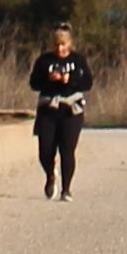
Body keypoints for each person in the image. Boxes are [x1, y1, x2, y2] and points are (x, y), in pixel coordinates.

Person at [25, 25, 94, 200]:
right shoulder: (44, 61)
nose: (59, 48)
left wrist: (69, 80)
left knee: (67, 150)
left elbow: (87, 83)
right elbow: (34, 83)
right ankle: (50, 175)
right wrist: (49, 79)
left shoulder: (78, 60)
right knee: (45, 150)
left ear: (69, 44)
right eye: (56, 45)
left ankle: (66, 189)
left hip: (71, 111)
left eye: (63, 44)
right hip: (48, 109)